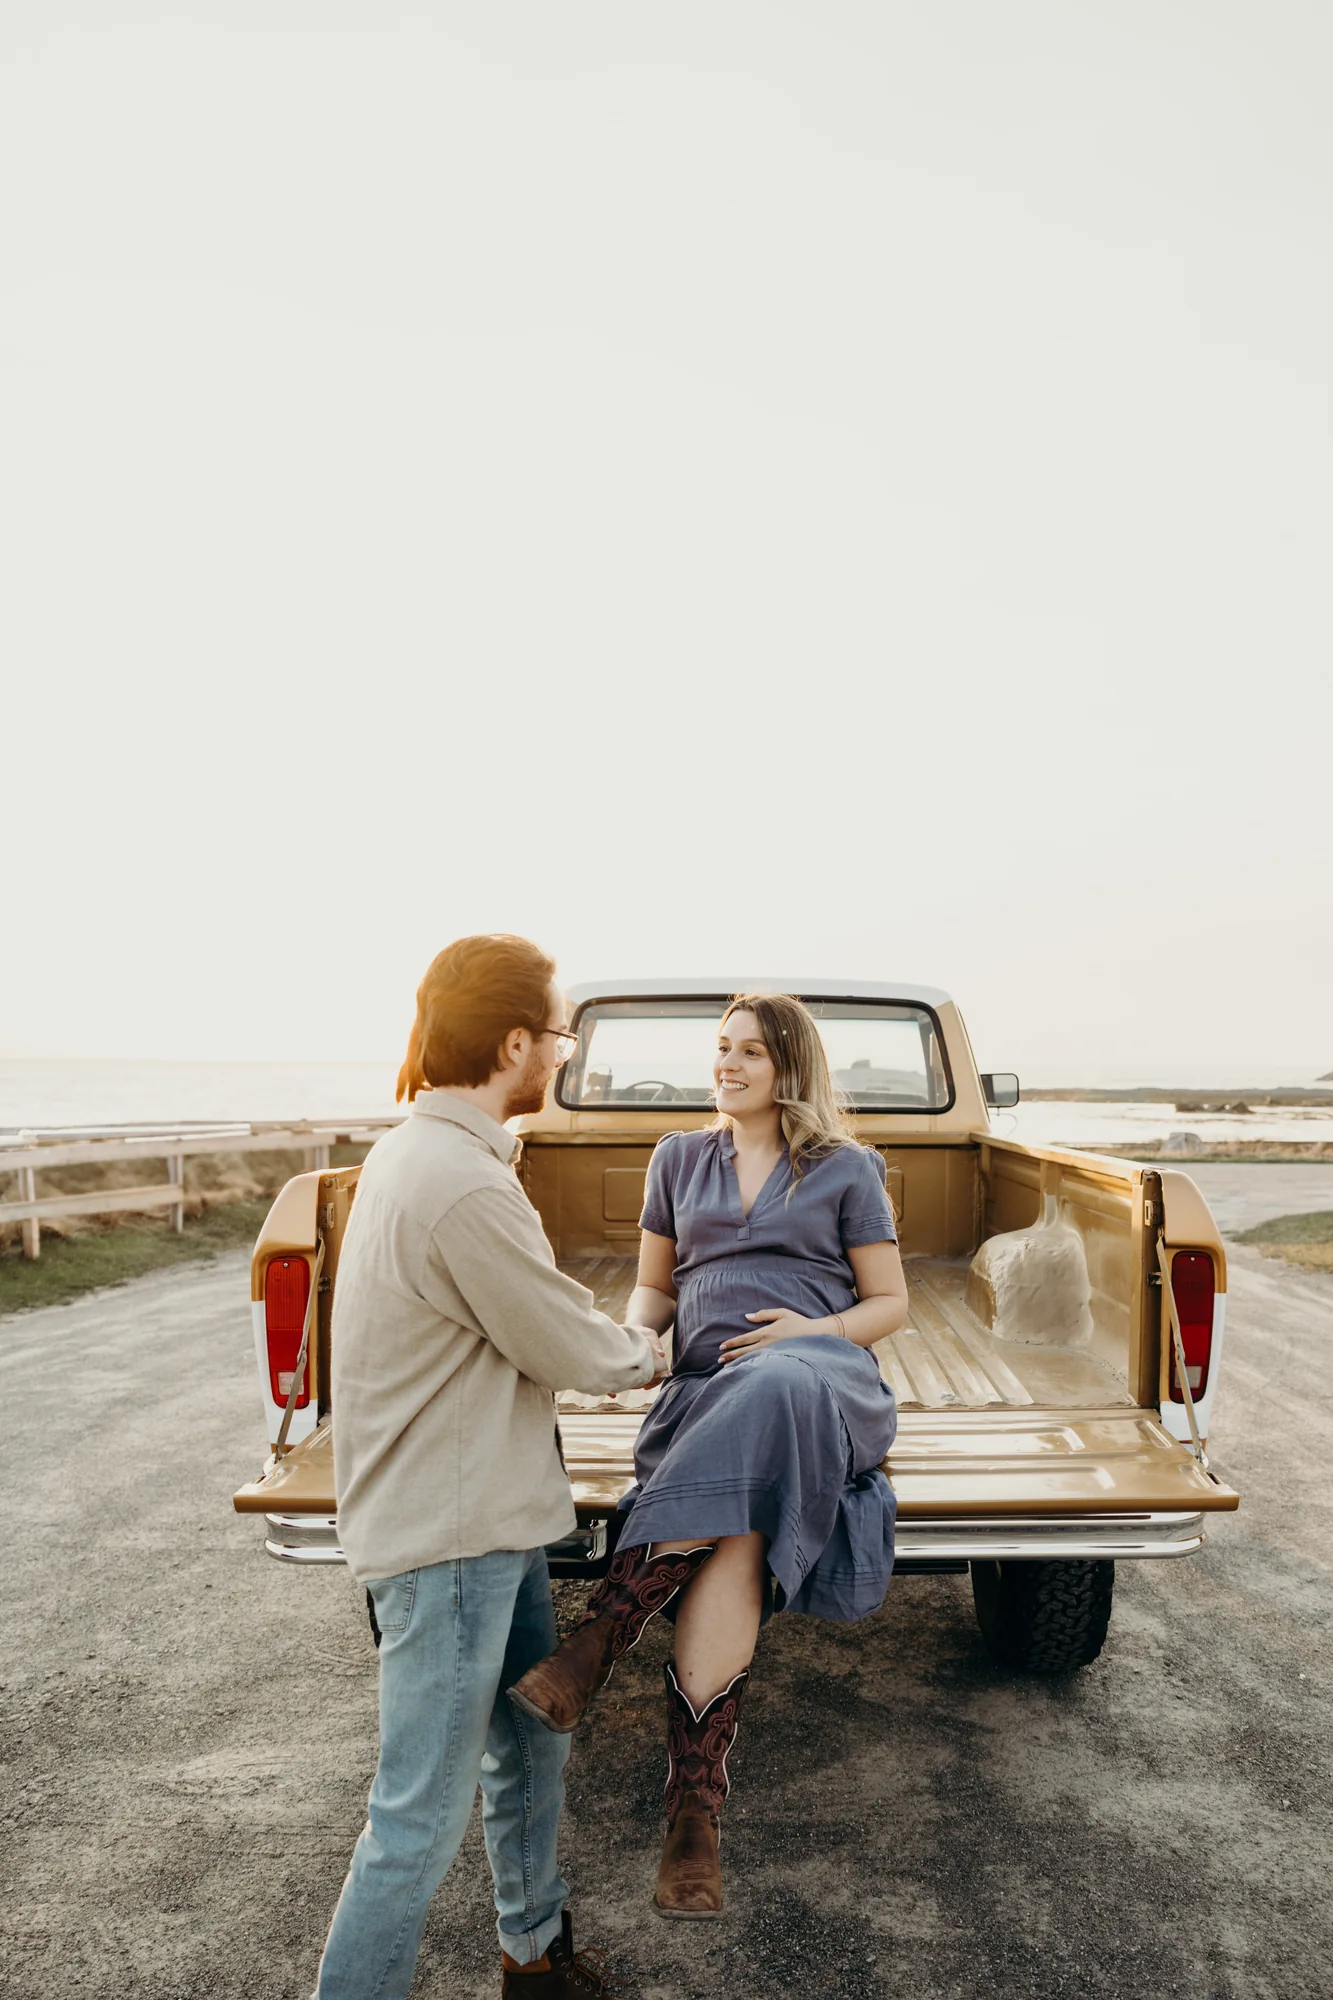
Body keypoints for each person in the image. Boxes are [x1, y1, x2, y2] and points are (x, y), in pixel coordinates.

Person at [312, 934, 666, 2000]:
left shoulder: (423, 1155)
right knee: (415, 1817)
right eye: (557, 1032)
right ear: (514, 1040)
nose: (561, 1052)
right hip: (448, 1540)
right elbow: (561, 1339)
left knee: (527, 1748)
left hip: (488, 1519)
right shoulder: (456, 1180)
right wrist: (654, 1348)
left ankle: (534, 1956)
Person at [510, 993, 910, 1919]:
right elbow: (654, 1288)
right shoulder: (677, 1158)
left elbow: (891, 1304)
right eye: (721, 1049)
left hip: (822, 1383)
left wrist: (813, 1328)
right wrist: (631, 1351)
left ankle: (605, 1632)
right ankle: (694, 1816)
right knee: (736, 1535)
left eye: (750, 1054)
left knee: (776, 1385)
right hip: (700, 1394)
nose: (727, 1066)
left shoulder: (846, 1168)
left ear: (789, 1069)